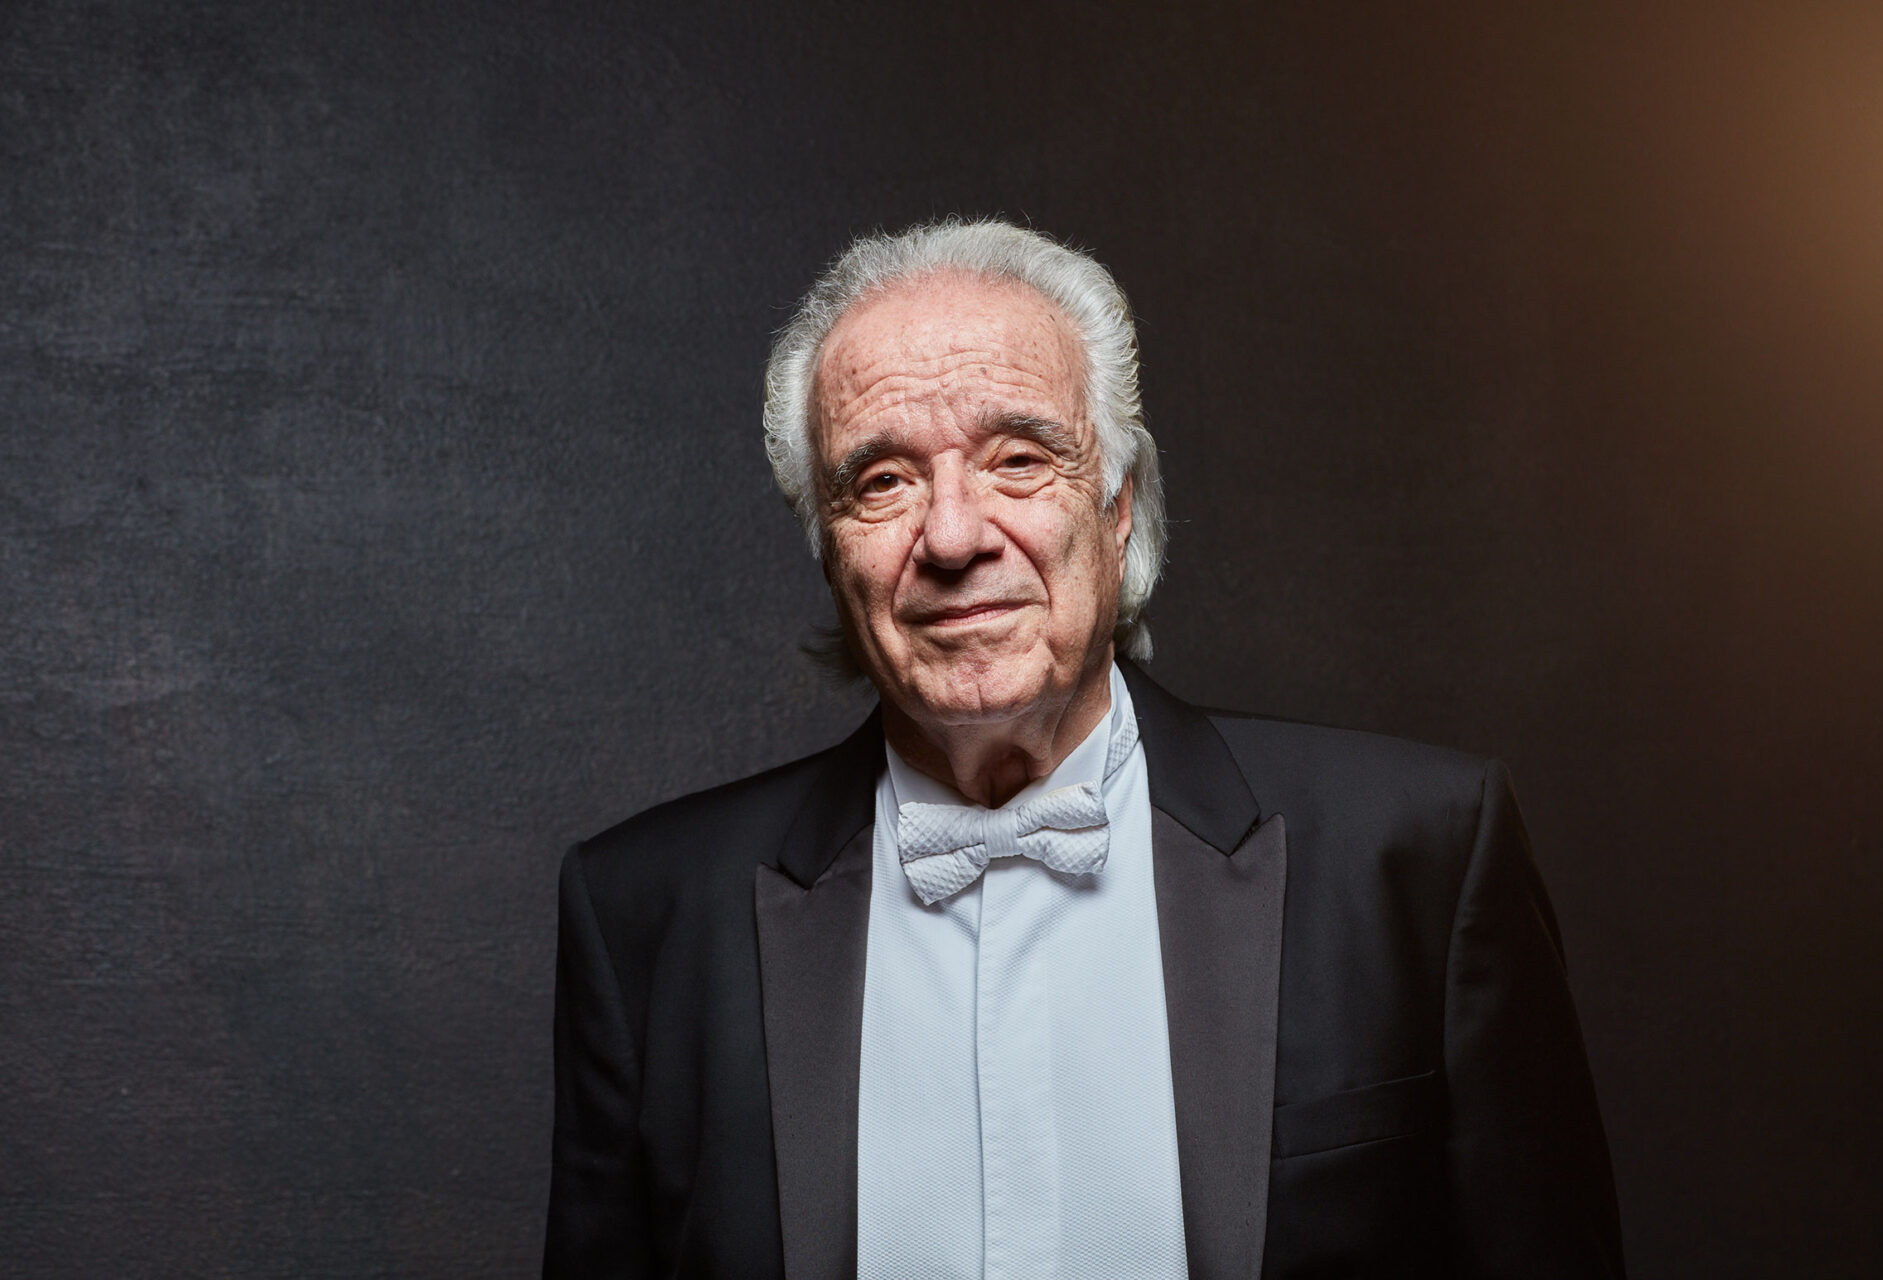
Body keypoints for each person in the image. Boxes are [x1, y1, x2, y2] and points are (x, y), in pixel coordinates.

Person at [542, 219, 1624, 1279]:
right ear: (829, 550)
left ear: (1118, 507)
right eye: (883, 482)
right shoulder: (647, 914)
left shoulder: (1419, 858)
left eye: (1018, 459)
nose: (953, 536)